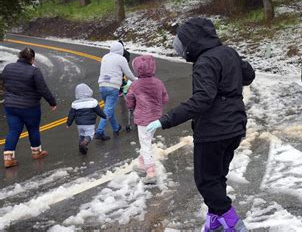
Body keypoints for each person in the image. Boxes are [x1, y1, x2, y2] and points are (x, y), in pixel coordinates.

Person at [146, 17, 255, 231]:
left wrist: (166, 119)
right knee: (217, 177)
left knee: (205, 181)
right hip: (235, 126)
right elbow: (249, 75)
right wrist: (230, 70)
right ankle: (215, 222)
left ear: (191, 43)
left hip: (214, 130)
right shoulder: (228, 52)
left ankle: (233, 223)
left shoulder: (205, 61)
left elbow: (203, 99)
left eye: (182, 45)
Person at [2, 48, 57, 168]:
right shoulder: (34, 71)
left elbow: (3, 82)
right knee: (33, 129)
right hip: (30, 106)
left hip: (11, 105)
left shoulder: (8, 67)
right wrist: (52, 102)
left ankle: (8, 158)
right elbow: (42, 88)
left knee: (13, 130)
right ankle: (36, 152)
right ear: (32, 59)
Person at [125, 55, 169, 185]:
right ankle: (142, 161)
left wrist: (132, 107)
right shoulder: (158, 83)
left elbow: (130, 99)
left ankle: (150, 172)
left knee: (145, 143)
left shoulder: (135, 85)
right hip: (156, 117)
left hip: (143, 118)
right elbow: (165, 99)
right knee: (147, 140)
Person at [95, 41, 137, 140]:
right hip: (113, 86)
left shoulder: (105, 57)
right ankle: (99, 131)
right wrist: (136, 81)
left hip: (102, 85)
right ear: (121, 50)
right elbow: (128, 74)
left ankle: (116, 127)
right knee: (108, 110)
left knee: (108, 109)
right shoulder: (121, 59)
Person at [67, 83, 107, 154]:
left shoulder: (75, 103)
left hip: (79, 125)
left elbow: (71, 115)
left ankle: (81, 148)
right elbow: (99, 111)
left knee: (81, 135)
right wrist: (104, 116)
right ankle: (84, 143)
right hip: (89, 123)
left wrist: (68, 124)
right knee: (89, 135)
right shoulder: (93, 101)